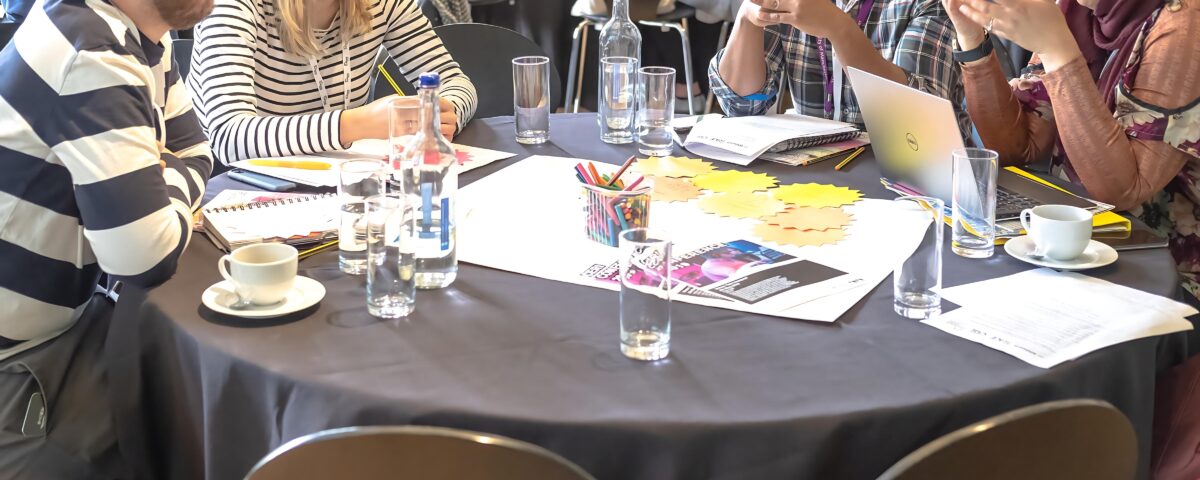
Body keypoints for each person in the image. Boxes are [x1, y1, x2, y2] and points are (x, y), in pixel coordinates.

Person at [943, 0, 1200, 478]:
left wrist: (1059, 50)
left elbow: (1125, 188)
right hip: (1082, 251)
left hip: (1169, 278)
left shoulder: (1185, 24)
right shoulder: (1076, 13)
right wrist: (971, 42)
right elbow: (1018, 146)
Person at [0, 0, 214, 471]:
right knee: (196, 431)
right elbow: (143, 256)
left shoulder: (143, 40)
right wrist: (166, 185)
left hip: (72, 324)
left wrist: (163, 177)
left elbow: (196, 151)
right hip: (21, 372)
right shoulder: (94, 49)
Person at [188, 0, 478, 164]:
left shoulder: (385, 4)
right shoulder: (232, 6)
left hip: (339, 182)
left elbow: (453, 80)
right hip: (235, 189)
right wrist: (358, 124)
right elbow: (227, 138)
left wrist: (444, 112)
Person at [710, 0, 969, 137]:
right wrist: (747, 17)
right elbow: (742, 106)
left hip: (918, 192)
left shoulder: (929, 3)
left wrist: (839, 28)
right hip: (820, 182)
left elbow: (921, 129)